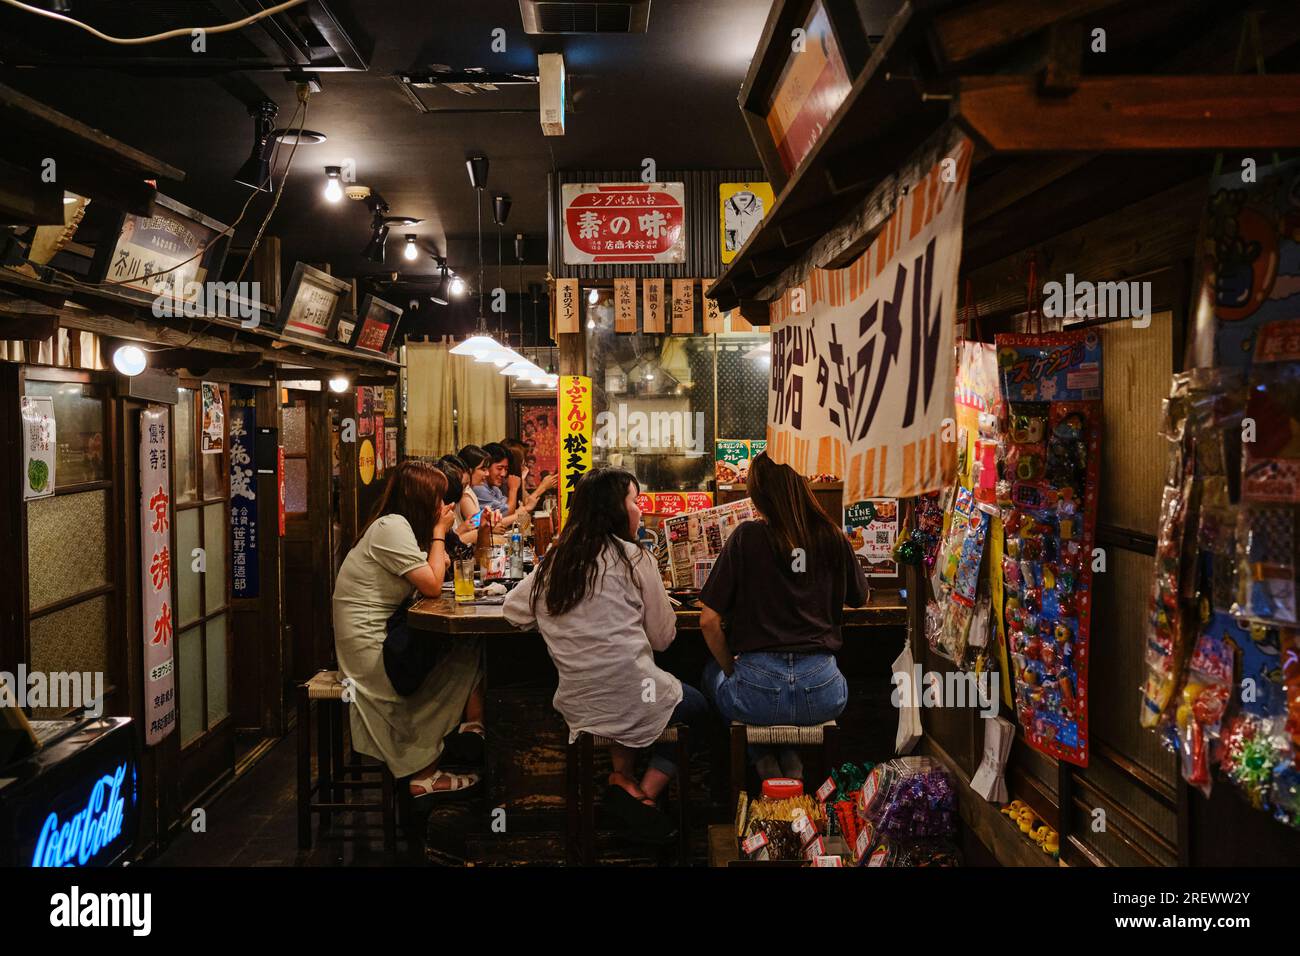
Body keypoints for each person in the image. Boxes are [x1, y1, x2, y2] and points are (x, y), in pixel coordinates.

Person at [503, 468, 706, 843]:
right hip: (633, 697)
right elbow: (663, 639)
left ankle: (622, 782)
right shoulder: (634, 558)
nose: (640, 510)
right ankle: (645, 794)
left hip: (580, 706)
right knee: (697, 707)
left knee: (627, 686)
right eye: (634, 501)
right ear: (614, 510)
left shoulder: (556, 561)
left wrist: (562, 624)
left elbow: (513, 611)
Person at [697, 452, 869, 782]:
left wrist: (733, 669)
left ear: (758, 495)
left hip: (758, 693)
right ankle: (791, 760)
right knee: (782, 703)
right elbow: (860, 599)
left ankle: (764, 762)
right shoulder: (832, 536)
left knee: (711, 674)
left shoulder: (746, 537)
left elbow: (708, 621)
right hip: (821, 693)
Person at [332, 461, 486, 797]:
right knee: (461, 652)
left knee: (470, 646)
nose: (444, 507)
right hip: (370, 651)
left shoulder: (395, 526)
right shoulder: (392, 527)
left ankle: (473, 729)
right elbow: (432, 584)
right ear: (420, 498)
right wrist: (439, 532)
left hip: (383, 637)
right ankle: (424, 774)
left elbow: (435, 571)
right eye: (438, 499)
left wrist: (438, 548)